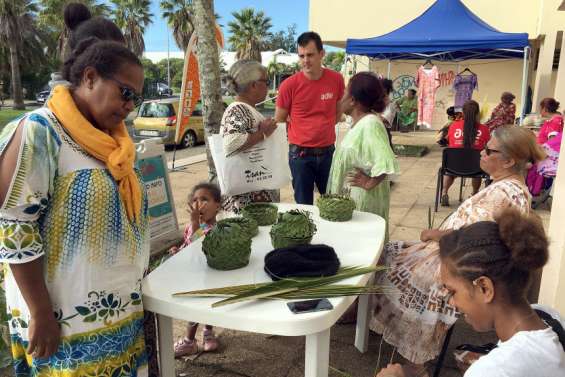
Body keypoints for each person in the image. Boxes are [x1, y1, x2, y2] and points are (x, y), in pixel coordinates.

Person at [0, 37, 148, 376]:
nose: (130, 106)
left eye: (136, 99)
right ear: (91, 77)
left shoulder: (116, 141)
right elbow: (14, 228)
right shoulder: (40, 132)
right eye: (126, 93)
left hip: (119, 311)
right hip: (62, 322)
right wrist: (40, 313)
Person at [370, 126, 545, 377]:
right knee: (387, 252)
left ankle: (416, 362)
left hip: (458, 263)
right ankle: (377, 320)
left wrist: (435, 235)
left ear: (508, 160)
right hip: (453, 253)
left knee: (391, 263)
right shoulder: (505, 185)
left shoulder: (505, 193)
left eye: (489, 150)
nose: (481, 153)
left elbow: (478, 239)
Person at [376, 208, 565, 377]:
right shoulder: (547, 316)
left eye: (453, 291)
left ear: (484, 288)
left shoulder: (495, 369)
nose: (451, 302)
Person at [275, 31, 345, 205]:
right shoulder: (288, 85)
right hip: (300, 156)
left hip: (328, 153)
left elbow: (338, 112)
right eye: (302, 56)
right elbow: (279, 118)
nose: (305, 60)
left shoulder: (336, 79)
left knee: (332, 203)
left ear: (322, 54)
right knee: (304, 207)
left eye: (310, 55)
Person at [327, 72, 399, 238]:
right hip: (354, 203)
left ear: (353, 100)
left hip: (363, 205)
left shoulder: (371, 124)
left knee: (362, 246)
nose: (341, 98)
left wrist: (369, 182)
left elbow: (386, 160)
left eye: (345, 93)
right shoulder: (361, 123)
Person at [221, 59, 279, 213]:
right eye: (265, 81)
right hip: (248, 203)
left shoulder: (244, 109)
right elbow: (231, 144)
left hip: (253, 196)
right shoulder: (238, 109)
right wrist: (263, 134)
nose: (268, 86)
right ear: (254, 85)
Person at [171, 183, 222, 357]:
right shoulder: (191, 227)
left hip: (209, 276)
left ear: (218, 206)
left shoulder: (215, 229)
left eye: (204, 199)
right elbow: (189, 244)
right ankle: (190, 341)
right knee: (195, 308)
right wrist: (179, 251)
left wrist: (194, 222)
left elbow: (199, 243)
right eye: (195, 200)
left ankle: (206, 333)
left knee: (207, 306)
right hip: (194, 276)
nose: (199, 204)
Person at [441, 100, 490, 206]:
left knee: (449, 169)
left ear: (462, 112)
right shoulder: (484, 129)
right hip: (475, 168)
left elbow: (449, 142)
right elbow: (488, 146)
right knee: (479, 164)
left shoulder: (453, 126)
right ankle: (474, 193)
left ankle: (444, 192)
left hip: (453, 166)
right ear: (477, 113)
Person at [379, 78, 396, 148]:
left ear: (385, 90)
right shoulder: (378, 102)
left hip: (384, 133)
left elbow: (384, 119)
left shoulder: (390, 104)